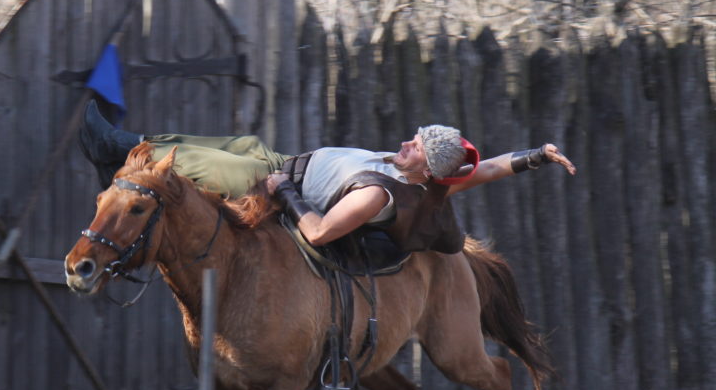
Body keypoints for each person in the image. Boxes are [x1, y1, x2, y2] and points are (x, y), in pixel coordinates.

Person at [79, 101, 576, 253]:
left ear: (426, 169)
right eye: (414, 137)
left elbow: (317, 232)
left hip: (270, 187)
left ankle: (112, 149)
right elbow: (484, 167)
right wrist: (538, 155)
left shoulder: (380, 195)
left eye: (415, 147)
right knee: (225, 143)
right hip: (277, 160)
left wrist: (286, 192)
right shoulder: (429, 176)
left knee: (189, 159)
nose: (405, 143)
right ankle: (125, 144)